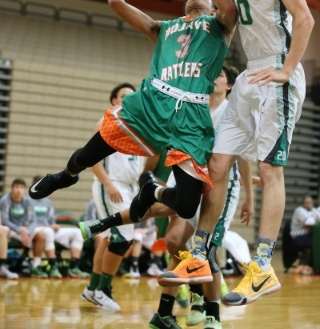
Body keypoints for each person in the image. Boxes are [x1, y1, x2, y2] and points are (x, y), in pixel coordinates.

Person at [160, 0, 315, 306]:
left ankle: (263, 267)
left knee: (270, 169)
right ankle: (201, 254)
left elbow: (305, 19)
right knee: (219, 164)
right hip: (250, 75)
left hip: (276, 75)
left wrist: (287, 71)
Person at [28, 0, 237, 260]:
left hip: (192, 115)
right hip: (152, 102)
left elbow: (231, 10)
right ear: (184, 7)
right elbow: (117, 3)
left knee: (187, 204)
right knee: (88, 154)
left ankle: (151, 191)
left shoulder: (219, 28)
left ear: (210, 6)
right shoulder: (164, 28)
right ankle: (65, 176)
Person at [80, 64, 254, 329]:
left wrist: (249, 196)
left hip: (221, 186)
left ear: (230, 85)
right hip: (189, 176)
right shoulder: (194, 106)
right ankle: (169, 310)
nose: (213, 78)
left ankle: (209, 313)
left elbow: (243, 160)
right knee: (174, 241)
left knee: (205, 249)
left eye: (219, 75)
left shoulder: (233, 113)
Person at [81, 82, 145, 311]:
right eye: (123, 96)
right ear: (114, 101)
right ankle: (103, 290)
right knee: (123, 239)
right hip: (111, 185)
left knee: (110, 238)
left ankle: (92, 288)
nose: (128, 99)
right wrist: (107, 183)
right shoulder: (106, 121)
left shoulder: (138, 126)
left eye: (132, 96)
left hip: (128, 188)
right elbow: (89, 157)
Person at [31, 176, 89, 278]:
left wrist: (54, 225)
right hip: (35, 229)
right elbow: (28, 220)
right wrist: (48, 226)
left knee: (78, 232)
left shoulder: (48, 202)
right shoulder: (28, 201)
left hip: (48, 228)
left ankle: (73, 267)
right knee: (48, 231)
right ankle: (53, 266)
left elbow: (51, 220)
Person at [0, 178, 48, 277]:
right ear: (12, 188)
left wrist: (28, 232)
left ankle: (36, 265)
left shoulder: (27, 201)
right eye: (16, 187)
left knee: (40, 234)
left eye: (21, 187)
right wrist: (20, 230)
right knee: (3, 231)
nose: (19, 190)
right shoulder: (5, 200)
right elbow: (5, 221)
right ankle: (3, 266)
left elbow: (34, 220)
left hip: (24, 230)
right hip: (11, 229)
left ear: (24, 190)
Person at [290, 194, 319, 275]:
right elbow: (308, 222)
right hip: (299, 237)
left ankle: (312, 266)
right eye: (306, 203)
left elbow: (317, 219)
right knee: (316, 243)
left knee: (316, 241)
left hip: (309, 236)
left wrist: (316, 219)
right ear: (303, 204)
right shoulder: (299, 210)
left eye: (310, 202)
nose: (308, 204)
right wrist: (315, 219)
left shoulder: (314, 210)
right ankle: (302, 265)